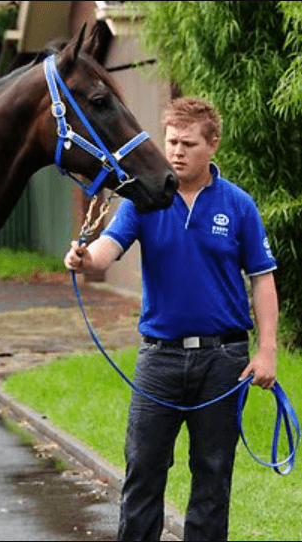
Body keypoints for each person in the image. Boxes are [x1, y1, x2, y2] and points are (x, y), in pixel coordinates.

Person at [65, 97, 279, 541]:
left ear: (213, 145)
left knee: (213, 474)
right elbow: (110, 246)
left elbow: (262, 279)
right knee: (142, 469)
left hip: (223, 360)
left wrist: (266, 351)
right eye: (172, 142)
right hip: (158, 360)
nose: (177, 151)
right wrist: (85, 260)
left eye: (188, 143)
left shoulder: (238, 205)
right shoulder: (145, 200)